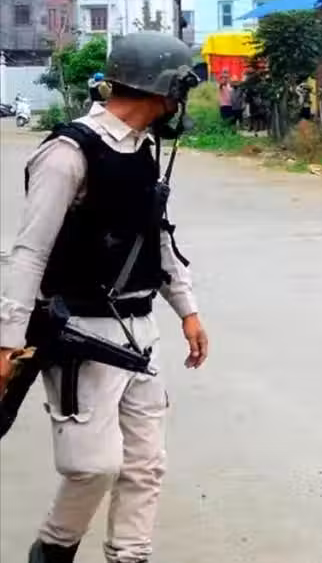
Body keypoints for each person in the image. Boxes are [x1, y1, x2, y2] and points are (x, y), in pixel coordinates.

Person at [0, 31, 209, 563]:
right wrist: (7, 339)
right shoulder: (68, 153)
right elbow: (29, 252)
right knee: (92, 466)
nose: (181, 102)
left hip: (140, 330)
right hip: (80, 333)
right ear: (161, 89)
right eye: (179, 90)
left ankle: (130, 555)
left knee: (145, 465)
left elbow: (157, 237)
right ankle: (53, 548)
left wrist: (187, 310)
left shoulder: (141, 151)